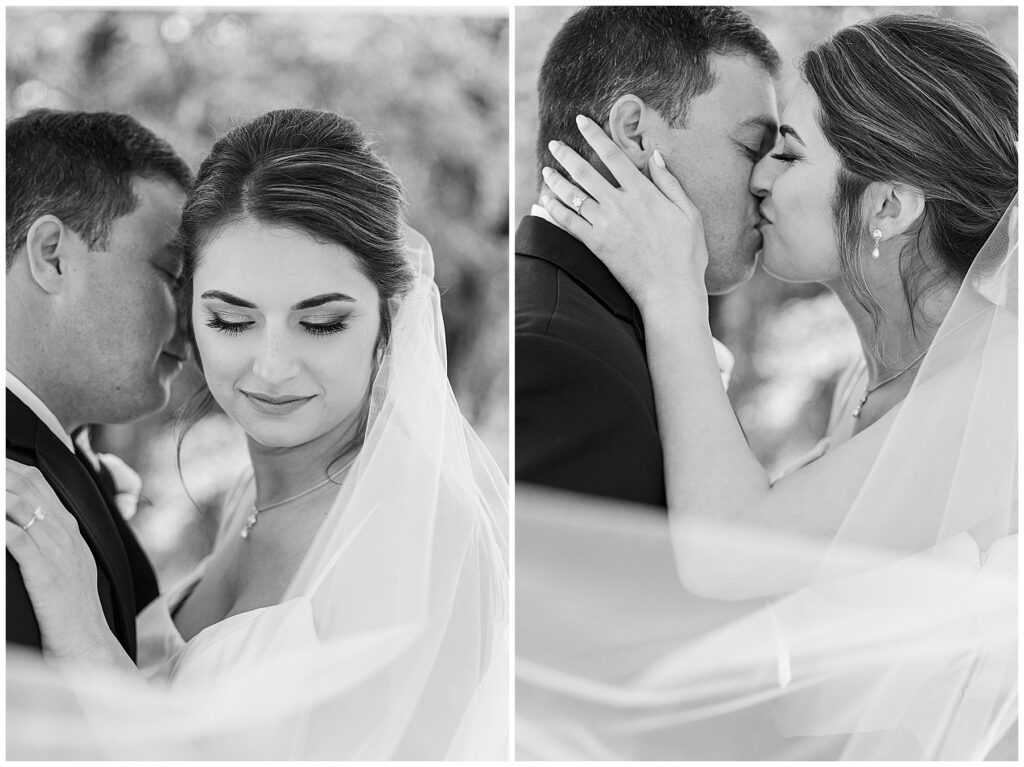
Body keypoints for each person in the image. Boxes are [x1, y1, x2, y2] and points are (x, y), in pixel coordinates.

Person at [521, 13, 1016, 759]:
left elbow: (726, 555)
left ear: (888, 205)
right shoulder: (870, 378)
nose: (758, 178)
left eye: (785, 153)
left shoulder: (1007, 386)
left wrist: (673, 295)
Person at [7, 108, 509, 760]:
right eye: (231, 319)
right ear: (189, 314)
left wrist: (89, 646)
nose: (271, 367)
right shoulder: (250, 499)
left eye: (321, 323)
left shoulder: (423, 528)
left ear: (389, 321)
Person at [515, 7, 780, 506]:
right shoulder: (548, 353)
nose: (766, 182)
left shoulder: (597, 324)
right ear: (634, 132)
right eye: (752, 147)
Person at [6, 109, 193, 658]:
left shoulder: (56, 466)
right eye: (173, 275)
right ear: (52, 256)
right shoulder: (14, 496)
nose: (194, 321)